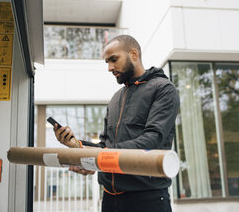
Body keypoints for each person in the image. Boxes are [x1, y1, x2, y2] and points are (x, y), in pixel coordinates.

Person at [53, 35, 180, 212]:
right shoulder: (115, 99)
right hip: (110, 200)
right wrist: (76, 145)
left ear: (134, 54)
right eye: (107, 62)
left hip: (147, 197)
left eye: (113, 60)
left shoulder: (163, 89)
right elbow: (106, 145)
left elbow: (152, 141)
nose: (109, 68)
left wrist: (101, 156)